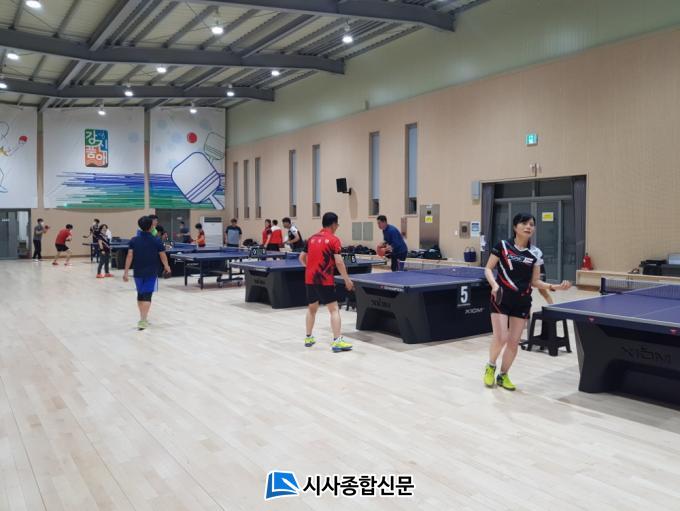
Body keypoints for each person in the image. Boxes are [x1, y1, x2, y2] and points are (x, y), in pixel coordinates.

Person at [483, 213, 571, 391]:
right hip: (501, 297)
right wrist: (494, 285)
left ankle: (503, 375)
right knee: (501, 338)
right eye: (524, 223)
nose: (528, 227)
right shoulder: (502, 246)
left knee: (513, 342)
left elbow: (535, 281)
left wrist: (554, 287)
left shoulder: (535, 253)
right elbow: (488, 268)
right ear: (515, 227)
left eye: (531, 224)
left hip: (522, 301)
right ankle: (490, 366)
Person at [299, 212, 354, 353]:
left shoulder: (311, 239)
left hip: (310, 279)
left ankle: (308, 337)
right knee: (334, 309)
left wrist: (308, 268)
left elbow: (301, 257)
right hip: (324, 279)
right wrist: (347, 280)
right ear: (334, 224)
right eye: (337, 224)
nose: (337, 227)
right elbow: (339, 262)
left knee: (312, 308)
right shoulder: (334, 240)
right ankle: (337, 341)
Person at [123, 216, 171, 330]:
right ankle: (143, 320)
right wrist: (167, 267)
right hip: (151, 272)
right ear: (151, 226)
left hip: (137, 271)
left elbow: (129, 256)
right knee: (147, 296)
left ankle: (142, 318)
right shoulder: (156, 240)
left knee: (140, 295)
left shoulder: (134, 240)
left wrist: (126, 272)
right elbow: (163, 255)